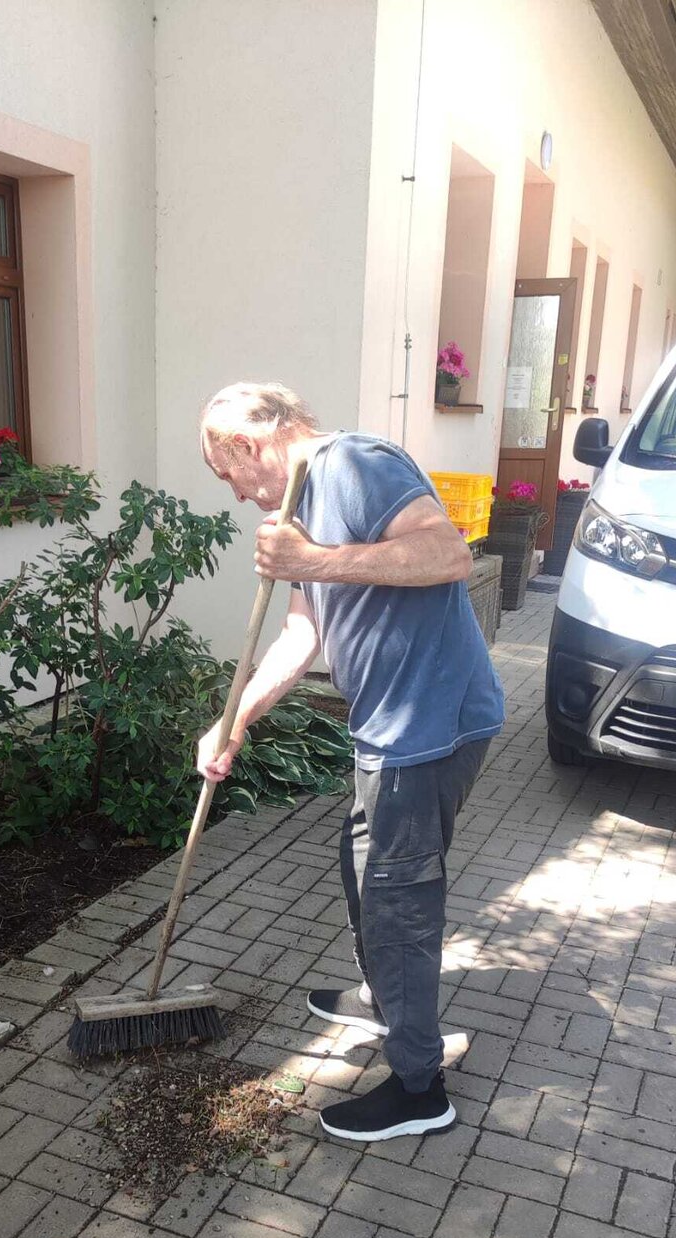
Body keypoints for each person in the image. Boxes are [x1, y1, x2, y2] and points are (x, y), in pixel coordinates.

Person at [196, 382, 504, 1141]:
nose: (234, 492)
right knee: (359, 862)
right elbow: (303, 633)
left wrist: (313, 557)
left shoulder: (356, 464)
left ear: (247, 444)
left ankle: (419, 1088)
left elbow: (446, 554)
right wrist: (236, 719)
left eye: (226, 472)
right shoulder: (296, 506)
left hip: (428, 726)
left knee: (398, 901)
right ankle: (385, 999)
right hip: (386, 728)